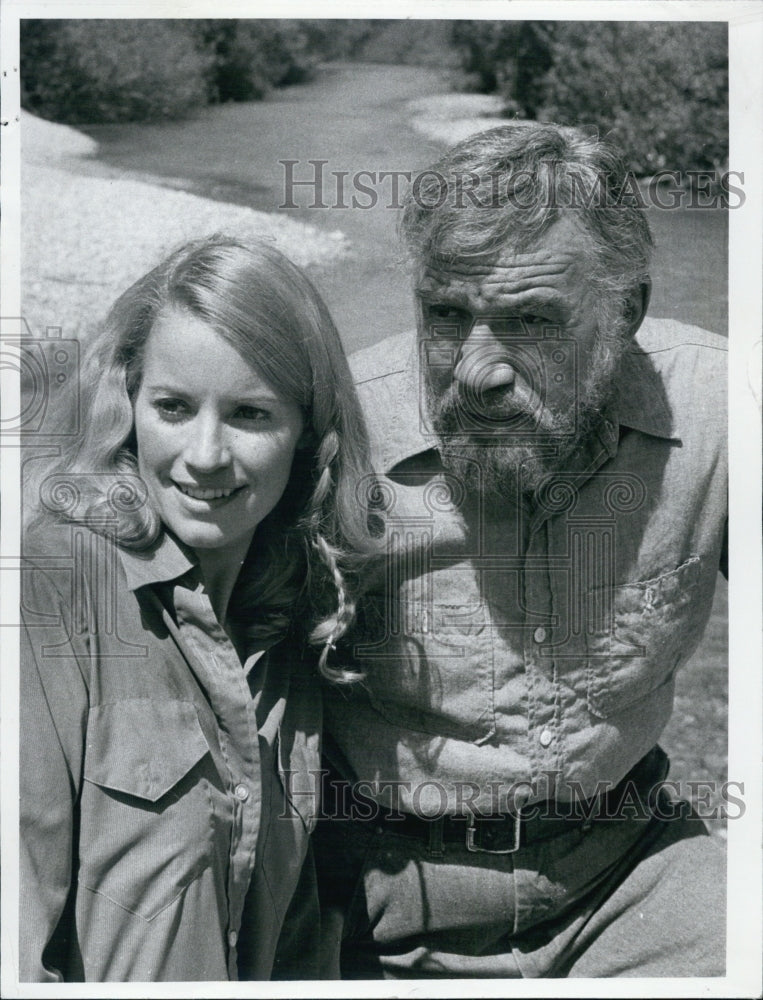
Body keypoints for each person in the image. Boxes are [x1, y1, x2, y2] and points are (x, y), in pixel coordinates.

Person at [315, 123, 728, 978]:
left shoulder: (721, 410)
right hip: (374, 889)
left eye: (529, 320)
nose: (475, 370)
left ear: (626, 312)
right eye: (445, 315)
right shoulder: (335, 425)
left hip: (628, 874)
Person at [20, 234, 376, 982]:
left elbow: (297, 940)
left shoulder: (295, 623)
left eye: (250, 414)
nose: (205, 455)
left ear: (308, 433)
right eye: (174, 407)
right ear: (127, 404)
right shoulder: (51, 592)